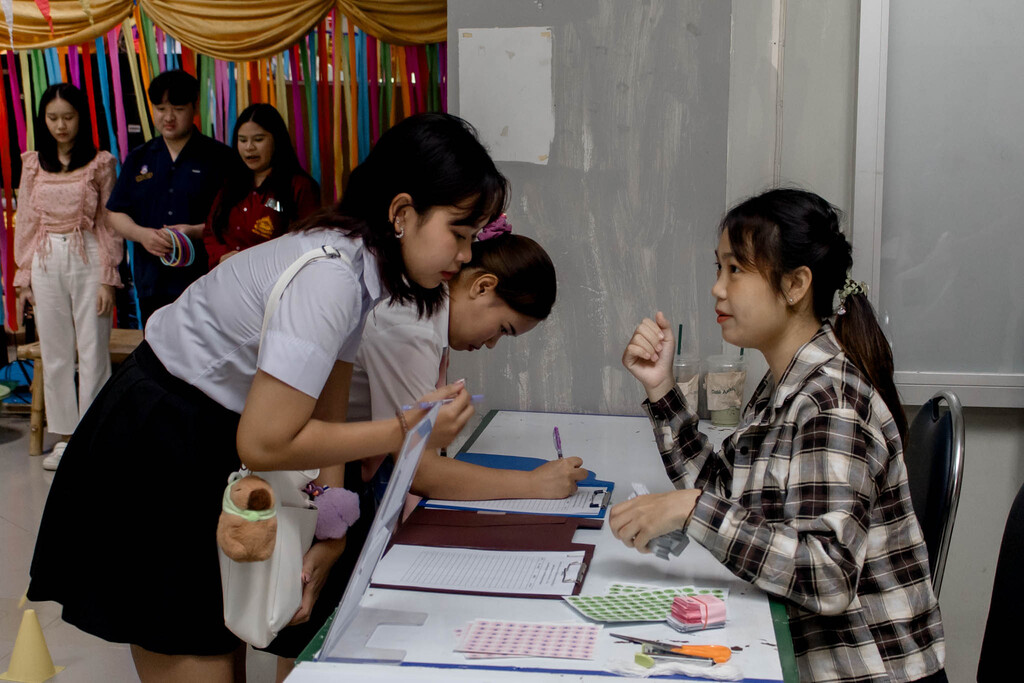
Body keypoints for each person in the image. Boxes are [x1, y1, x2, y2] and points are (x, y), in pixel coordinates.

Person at [27, 112, 507, 683]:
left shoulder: (359, 267)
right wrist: (410, 429)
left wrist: (332, 526)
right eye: (459, 231)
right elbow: (268, 438)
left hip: (206, 435)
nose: (465, 253)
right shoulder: (330, 275)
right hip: (160, 436)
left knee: (226, 634)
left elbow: (325, 408)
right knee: (197, 652)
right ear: (403, 213)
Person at [611, 189, 946, 683]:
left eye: (735, 270)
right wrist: (661, 389)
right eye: (717, 269)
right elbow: (728, 492)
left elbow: (829, 577)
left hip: (867, 669)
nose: (717, 289)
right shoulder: (786, 380)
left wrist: (689, 508)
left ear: (794, 285)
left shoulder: (831, 403)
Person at [260, 219, 584, 678]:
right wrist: (532, 483)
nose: (490, 343)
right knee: (315, 636)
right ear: (482, 286)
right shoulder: (409, 325)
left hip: (337, 467)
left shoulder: (426, 318)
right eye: (503, 329)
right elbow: (419, 469)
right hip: (322, 475)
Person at [13, 83, 122, 471]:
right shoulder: (32, 164)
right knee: (56, 351)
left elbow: (109, 221)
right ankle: (65, 437)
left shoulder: (100, 163)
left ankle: (93, 434)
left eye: (68, 117)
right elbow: (25, 219)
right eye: (53, 118)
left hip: (89, 252)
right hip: (45, 256)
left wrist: (109, 275)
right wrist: (23, 277)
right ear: (43, 120)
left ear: (82, 118)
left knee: (93, 348)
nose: (61, 125)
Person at [106, 69, 237, 324]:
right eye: (160, 108)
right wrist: (142, 235)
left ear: (195, 107)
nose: (168, 117)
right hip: (151, 282)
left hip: (205, 282)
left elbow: (234, 217)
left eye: (177, 108)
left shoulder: (220, 158)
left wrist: (195, 231)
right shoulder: (139, 158)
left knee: (201, 356)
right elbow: (115, 213)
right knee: (156, 356)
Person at [203, 103, 320, 270]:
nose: (249, 147)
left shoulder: (299, 186)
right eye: (242, 140)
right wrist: (222, 256)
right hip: (228, 277)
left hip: (273, 283)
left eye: (258, 139)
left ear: (276, 140)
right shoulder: (231, 182)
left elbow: (309, 243)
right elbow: (210, 231)